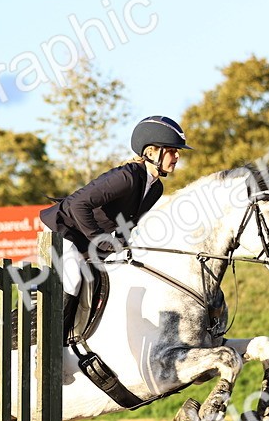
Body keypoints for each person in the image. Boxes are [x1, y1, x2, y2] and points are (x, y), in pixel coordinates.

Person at [40, 115, 191, 308]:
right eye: (171, 150)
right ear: (151, 152)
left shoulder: (155, 189)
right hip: (62, 230)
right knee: (73, 281)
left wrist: (124, 247)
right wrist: (101, 239)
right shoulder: (125, 177)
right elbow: (78, 205)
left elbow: (127, 225)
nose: (177, 157)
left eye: (177, 151)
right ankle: (54, 336)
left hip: (86, 237)